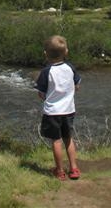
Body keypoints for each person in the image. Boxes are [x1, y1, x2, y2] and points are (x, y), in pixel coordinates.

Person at [35, 35, 81, 181]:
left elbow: (41, 93)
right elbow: (77, 86)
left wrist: (46, 96)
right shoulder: (70, 68)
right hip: (69, 110)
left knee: (56, 141)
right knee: (68, 138)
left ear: (45, 54)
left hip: (53, 112)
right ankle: (74, 169)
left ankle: (60, 171)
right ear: (66, 52)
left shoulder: (45, 72)